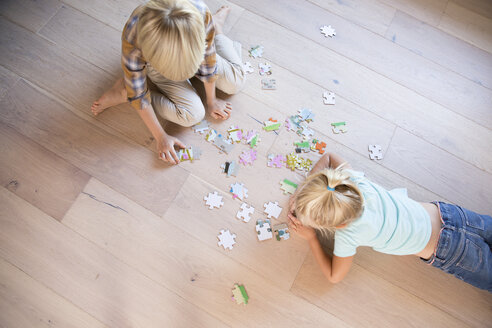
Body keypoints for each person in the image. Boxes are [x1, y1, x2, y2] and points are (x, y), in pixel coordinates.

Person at [287, 152, 491, 292]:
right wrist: (301, 193)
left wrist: (312, 237)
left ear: (337, 226)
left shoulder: (347, 234)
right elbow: (329, 157)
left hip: (450, 251)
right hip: (450, 215)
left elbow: (334, 276)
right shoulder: (352, 182)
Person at [90, 0, 245, 164]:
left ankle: (217, 26)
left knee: (236, 83)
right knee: (192, 115)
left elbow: (209, 62)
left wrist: (211, 100)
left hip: (198, 46)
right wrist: (161, 136)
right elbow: (140, 97)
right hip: (154, 64)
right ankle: (125, 92)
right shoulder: (134, 38)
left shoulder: (199, 14)